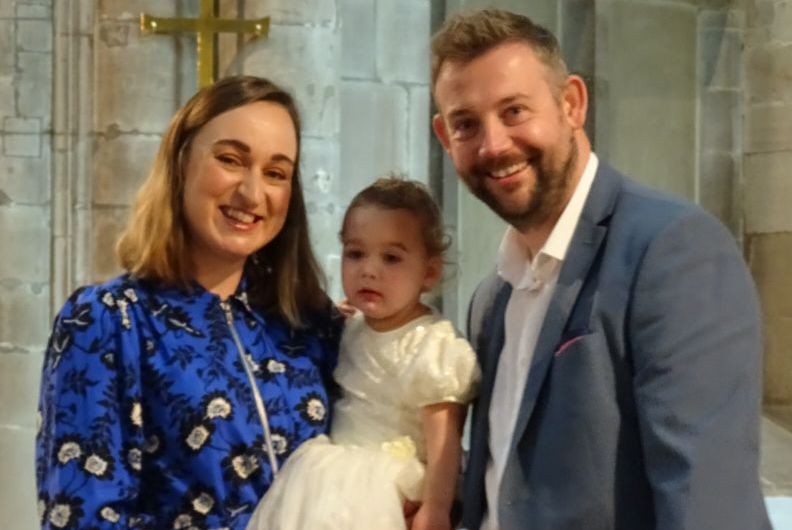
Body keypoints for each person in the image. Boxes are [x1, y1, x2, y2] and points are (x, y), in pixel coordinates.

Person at [430, 9, 770, 530]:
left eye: (514, 110)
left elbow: (707, 504)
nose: (493, 144)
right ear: (444, 137)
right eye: (466, 124)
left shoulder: (674, 251)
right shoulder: (490, 299)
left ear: (571, 103)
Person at [35, 76, 341, 530]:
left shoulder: (311, 325)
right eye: (231, 160)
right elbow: (82, 517)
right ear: (181, 164)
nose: (252, 194)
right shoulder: (109, 320)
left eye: (276, 173)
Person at [246, 177, 481, 530]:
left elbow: (444, 444)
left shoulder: (433, 346)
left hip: (389, 490)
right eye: (355, 253)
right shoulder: (349, 327)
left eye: (391, 258)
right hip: (326, 481)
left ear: (429, 272)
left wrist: (436, 507)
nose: (369, 270)